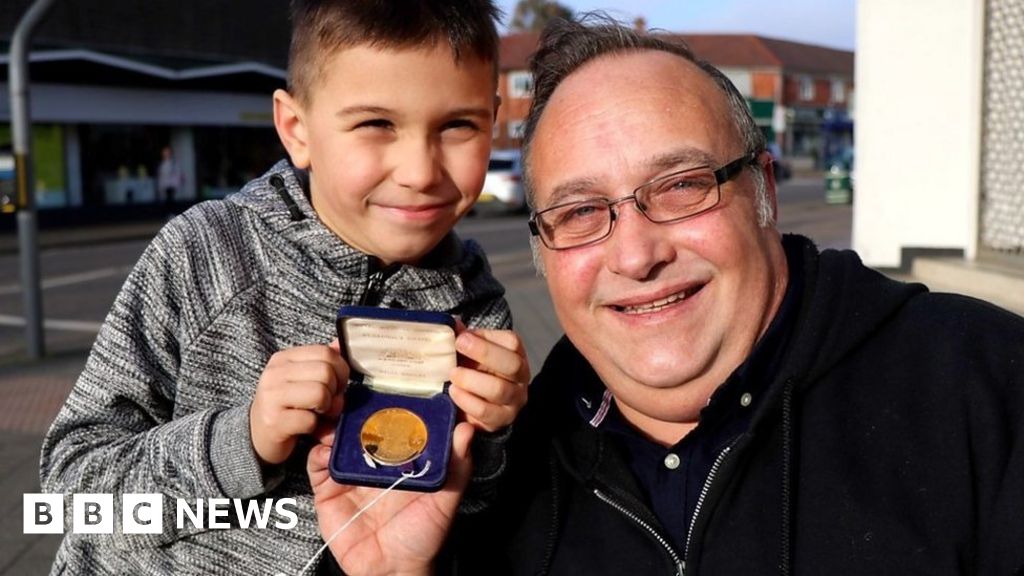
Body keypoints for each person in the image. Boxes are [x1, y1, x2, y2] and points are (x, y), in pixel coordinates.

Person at [310, 14, 1024, 576]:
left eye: (682, 186)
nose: (636, 253)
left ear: (764, 193)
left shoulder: (985, 387)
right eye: (580, 211)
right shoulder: (493, 470)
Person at [39, 1, 529, 574]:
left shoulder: (476, 308)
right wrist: (239, 441)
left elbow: (474, 521)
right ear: (297, 130)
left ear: (493, 121)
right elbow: (70, 498)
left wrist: (492, 441)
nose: (420, 171)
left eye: (457, 125)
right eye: (376, 124)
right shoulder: (204, 254)